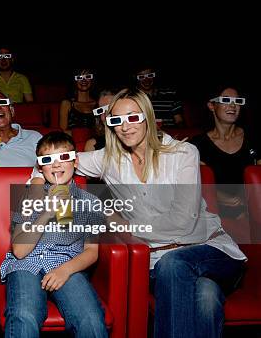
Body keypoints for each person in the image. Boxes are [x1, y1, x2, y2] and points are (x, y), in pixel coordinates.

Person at [31, 88, 246, 338]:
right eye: (116, 120)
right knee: (207, 297)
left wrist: (121, 223)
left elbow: (183, 224)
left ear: (148, 116)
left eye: (133, 117)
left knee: (174, 263)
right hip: (156, 261)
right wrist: (38, 187)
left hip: (210, 249)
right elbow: (54, 161)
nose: (125, 127)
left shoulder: (183, 154)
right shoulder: (108, 159)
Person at [1, 131, 107, 338]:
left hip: (67, 265)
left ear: (75, 162)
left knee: (90, 319)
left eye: (64, 158)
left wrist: (65, 270)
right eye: (48, 160)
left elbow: (91, 252)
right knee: (24, 315)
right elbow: (20, 251)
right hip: (26, 265)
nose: (57, 165)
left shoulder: (91, 202)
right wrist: (46, 212)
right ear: (40, 167)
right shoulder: (29, 196)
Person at [190, 87, 259, 218]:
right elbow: (194, 184)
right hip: (214, 215)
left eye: (237, 101)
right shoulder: (198, 145)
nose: (233, 105)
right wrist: (224, 199)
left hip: (253, 212)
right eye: (226, 100)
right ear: (211, 106)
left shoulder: (253, 138)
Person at [60, 69, 98, 134]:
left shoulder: (98, 103)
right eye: (79, 77)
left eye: (88, 77)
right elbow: (63, 131)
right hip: (73, 141)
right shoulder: (66, 103)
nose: (84, 80)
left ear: (92, 80)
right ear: (74, 81)